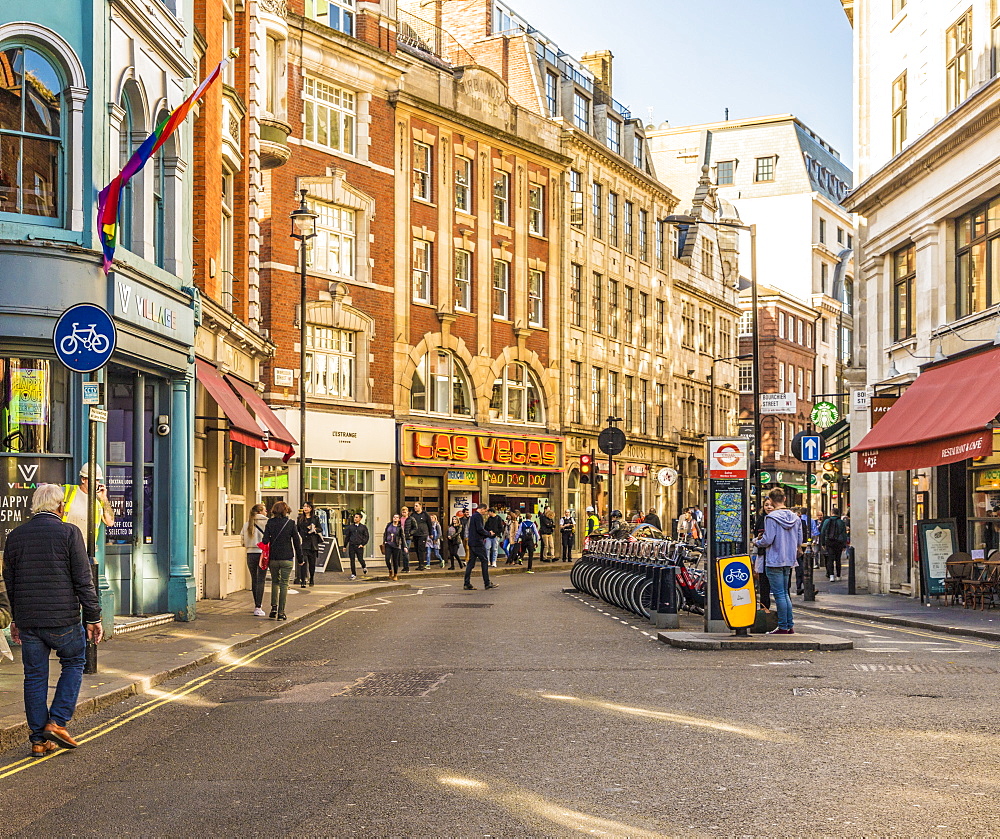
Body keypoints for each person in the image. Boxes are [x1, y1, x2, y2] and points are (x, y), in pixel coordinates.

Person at [3, 483, 103, 756]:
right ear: (60, 507)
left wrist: (15, 619)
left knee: (34, 677)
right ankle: (57, 722)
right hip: (63, 620)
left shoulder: (16, 537)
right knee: (74, 661)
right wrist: (93, 617)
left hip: (30, 621)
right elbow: (84, 580)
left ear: (35, 506)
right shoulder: (70, 533)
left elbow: (10, 584)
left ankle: (38, 740)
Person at [753, 487, 801, 634]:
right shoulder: (796, 517)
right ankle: (789, 624)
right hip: (789, 559)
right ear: (785, 499)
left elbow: (768, 540)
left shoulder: (771, 518)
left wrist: (756, 541)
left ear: (772, 501)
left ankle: (783, 627)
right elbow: (800, 540)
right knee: (785, 593)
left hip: (774, 559)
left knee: (779, 594)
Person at [261, 501, 302, 620]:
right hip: (287, 558)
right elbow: (296, 542)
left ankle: (273, 608)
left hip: (273, 558)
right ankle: (281, 612)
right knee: (284, 584)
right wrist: (300, 558)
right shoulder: (290, 523)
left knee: (275, 582)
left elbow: (264, 541)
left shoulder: (270, 522)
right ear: (286, 510)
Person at [62, 462, 115, 536]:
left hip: (88, 546)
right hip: (67, 543)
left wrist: (104, 499)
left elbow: (110, 522)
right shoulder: (68, 491)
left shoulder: (98, 499)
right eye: (93, 480)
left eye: (98, 480)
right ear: (83, 479)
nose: (96, 483)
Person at [464, 502, 498, 590]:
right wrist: (488, 534)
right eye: (485, 511)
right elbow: (479, 529)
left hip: (472, 542)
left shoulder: (473, 516)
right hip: (478, 543)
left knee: (471, 563)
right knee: (484, 561)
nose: (485, 513)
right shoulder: (478, 516)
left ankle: (466, 583)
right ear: (482, 509)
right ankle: (487, 583)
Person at [242, 503, 269, 616]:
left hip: (250, 554)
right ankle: (258, 606)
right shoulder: (267, 522)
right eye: (264, 510)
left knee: (254, 579)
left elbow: (242, 540)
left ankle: (257, 605)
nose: (266, 512)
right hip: (262, 554)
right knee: (261, 580)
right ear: (260, 512)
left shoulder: (247, 524)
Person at [753, 497, 775, 613]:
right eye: (766, 505)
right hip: (762, 555)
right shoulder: (760, 519)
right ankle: (764, 610)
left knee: (779, 588)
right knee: (763, 586)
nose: (769, 507)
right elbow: (756, 537)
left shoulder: (776, 519)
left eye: (771, 505)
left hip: (775, 556)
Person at [296, 502, 322, 587]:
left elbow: (320, 529)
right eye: (304, 506)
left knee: (312, 563)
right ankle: (303, 580)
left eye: (307, 507)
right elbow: (297, 530)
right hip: (303, 542)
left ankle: (311, 578)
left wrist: (314, 529)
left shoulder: (315, 518)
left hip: (312, 543)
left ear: (311, 508)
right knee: (303, 562)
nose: (305, 508)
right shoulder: (300, 518)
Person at [820, 507, 849, 582]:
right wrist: (844, 544)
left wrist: (823, 543)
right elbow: (844, 534)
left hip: (829, 542)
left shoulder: (826, 521)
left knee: (830, 559)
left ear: (831, 512)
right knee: (838, 559)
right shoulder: (841, 522)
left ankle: (831, 575)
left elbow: (822, 532)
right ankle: (838, 575)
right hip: (838, 542)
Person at [405, 501, 431, 571]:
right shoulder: (413, 515)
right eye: (414, 506)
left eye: (416, 506)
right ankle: (419, 564)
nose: (415, 507)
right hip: (415, 534)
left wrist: (430, 533)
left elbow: (429, 524)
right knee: (417, 549)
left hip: (423, 534)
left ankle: (422, 564)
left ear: (420, 506)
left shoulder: (425, 514)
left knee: (421, 549)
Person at [344, 512, 370, 579]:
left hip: (359, 546)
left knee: (360, 558)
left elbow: (366, 536)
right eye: (354, 517)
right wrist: (345, 546)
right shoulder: (351, 527)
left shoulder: (363, 527)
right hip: (352, 545)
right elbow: (347, 536)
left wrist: (363, 544)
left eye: (357, 517)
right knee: (352, 560)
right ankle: (353, 573)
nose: (355, 519)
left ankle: (364, 566)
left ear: (360, 518)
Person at [383, 514, 404, 581]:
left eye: (397, 517)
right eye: (394, 517)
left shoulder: (399, 527)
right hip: (388, 544)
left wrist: (405, 546)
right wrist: (384, 541)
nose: (395, 518)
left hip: (396, 545)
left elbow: (402, 537)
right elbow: (385, 533)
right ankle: (390, 570)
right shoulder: (389, 525)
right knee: (387, 559)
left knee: (395, 561)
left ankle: (395, 574)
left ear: (399, 519)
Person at [398, 506, 411, 573]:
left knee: (406, 552)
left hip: (407, 538)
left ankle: (407, 567)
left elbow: (415, 527)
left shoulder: (410, 519)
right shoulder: (400, 520)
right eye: (403, 512)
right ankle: (404, 567)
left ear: (407, 512)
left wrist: (410, 533)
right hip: (401, 537)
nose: (404, 513)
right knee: (402, 553)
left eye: (405, 512)